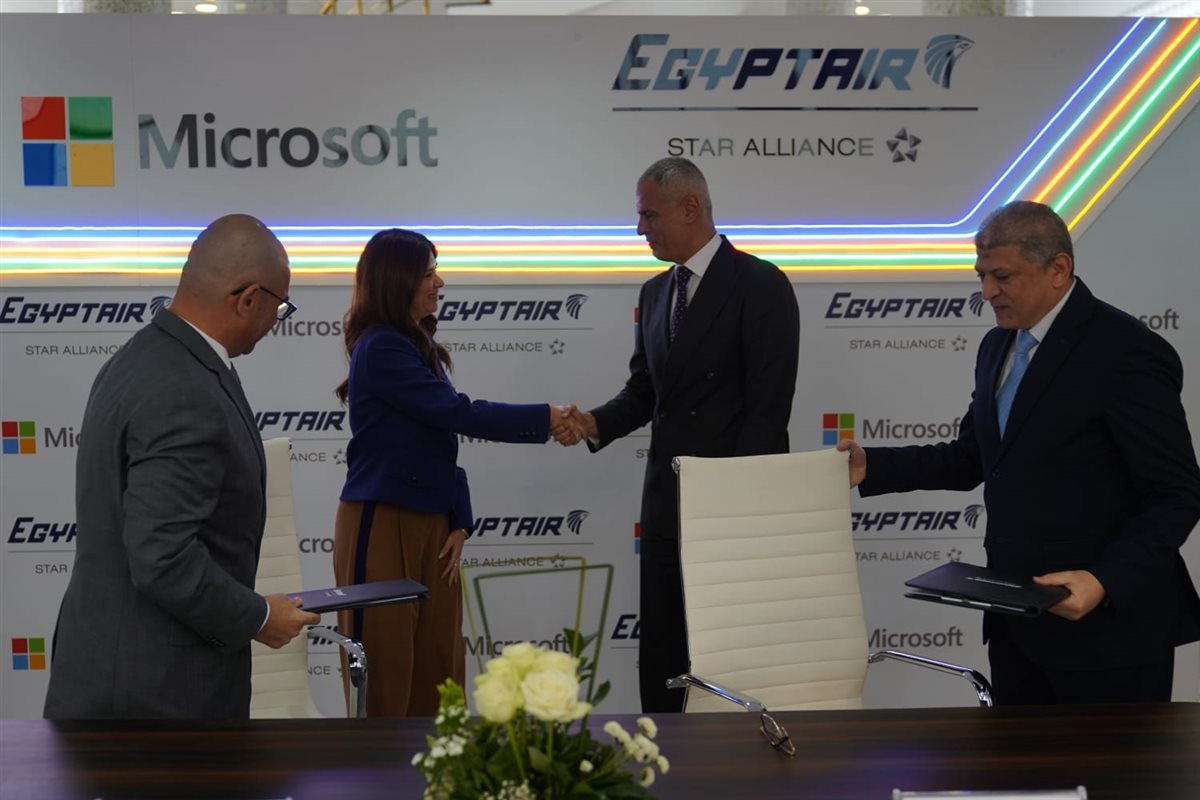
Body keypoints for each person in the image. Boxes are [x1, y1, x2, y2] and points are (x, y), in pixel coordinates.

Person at [838, 200, 1200, 705]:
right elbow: (973, 457)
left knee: (1115, 764)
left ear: (1058, 269)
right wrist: (872, 466)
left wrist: (1104, 581)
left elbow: (1177, 494)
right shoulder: (997, 345)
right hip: (1017, 628)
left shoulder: (1126, 351)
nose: (987, 291)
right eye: (982, 276)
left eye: (1002, 276)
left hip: (1110, 635)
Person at [43, 214, 320, 720]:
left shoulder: (144, 357)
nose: (275, 320)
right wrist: (259, 616)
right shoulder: (185, 390)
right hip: (155, 698)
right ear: (248, 299)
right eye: (279, 306)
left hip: (120, 675)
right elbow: (163, 557)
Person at [561, 157, 800, 712]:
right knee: (665, 665)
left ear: (690, 207)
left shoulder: (760, 285)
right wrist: (593, 422)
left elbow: (767, 415)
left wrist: (735, 508)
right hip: (667, 511)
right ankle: (663, 759)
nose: (639, 229)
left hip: (732, 515)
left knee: (730, 665)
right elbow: (647, 391)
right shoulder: (653, 294)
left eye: (648, 215)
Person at [333, 228, 576, 717]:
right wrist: (546, 418)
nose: (439, 282)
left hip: (433, 523)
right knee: (385, 678)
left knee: (439, 677)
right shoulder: (382, 347)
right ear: (397, 281)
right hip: (383, 523)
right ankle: (376, 769)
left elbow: (438, 442)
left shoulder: (414, 344)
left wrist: (457, 519)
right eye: (427, 274)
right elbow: (456, 413)